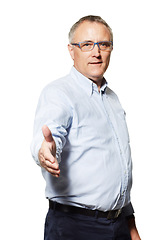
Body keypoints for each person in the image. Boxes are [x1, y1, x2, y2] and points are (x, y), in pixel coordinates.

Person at [31, 15, 141, 240]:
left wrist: (130, 225)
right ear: (72, 51)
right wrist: (45, 152)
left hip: (119, 224)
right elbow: (51, 136)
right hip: (75, 228)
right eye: (87, 45)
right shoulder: (59, 93)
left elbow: (118, 166)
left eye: (104, 44)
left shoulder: (112, 99)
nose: (96, 52)